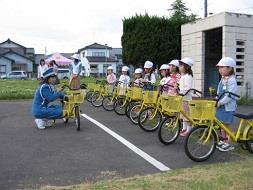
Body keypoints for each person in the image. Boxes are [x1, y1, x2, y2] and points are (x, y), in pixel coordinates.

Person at [215, 57, 238, 152]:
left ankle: (229, 142)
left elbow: (229, 95)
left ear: (229, 68)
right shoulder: (223, 78)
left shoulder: (232, 80)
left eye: (222, 67)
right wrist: (217, 99)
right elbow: (218, 90)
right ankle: (223, 140)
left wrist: (220, 102)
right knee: (222, 124)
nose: (220, 69)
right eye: (219, 67)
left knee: (227, 125)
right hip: (221, 105)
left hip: (228, 106)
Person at [178, 58, 194, 137]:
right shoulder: (183, 76)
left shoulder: (188, 76)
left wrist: (182, 92)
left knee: (187, 115)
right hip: (183, 98)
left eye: (181, 65)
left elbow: (187, 88)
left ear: (187, 67)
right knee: (183, 114)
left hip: (187, 99)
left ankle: (189, 129)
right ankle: (184, 128)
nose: (179, 67)